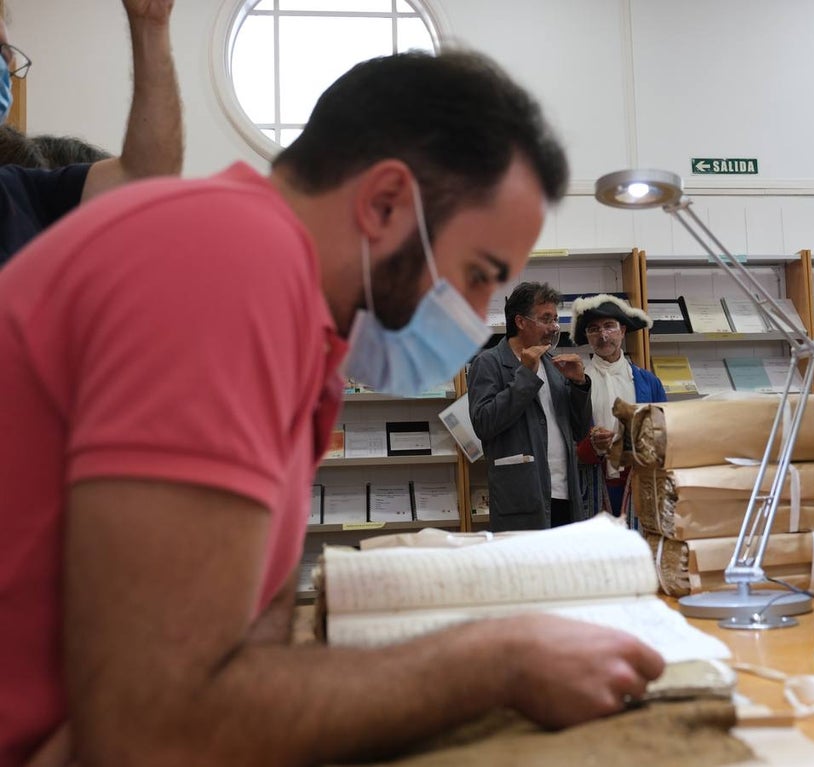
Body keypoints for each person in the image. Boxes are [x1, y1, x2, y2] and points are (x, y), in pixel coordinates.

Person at [0, 51, 664, 765]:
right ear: (382, 204)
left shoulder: (301, 327)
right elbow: (151, 730)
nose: (477, 318)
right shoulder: (227, 264)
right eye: (476, 276)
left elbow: (246, 640)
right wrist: (497, 661)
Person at [0, 0, 182, 266]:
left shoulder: (18, 193)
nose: (5, 63)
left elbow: (145, 178)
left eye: (4, 56)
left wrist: (151, 26)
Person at [468, 281, 594, 531]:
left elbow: (579, 432)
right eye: (546, 318)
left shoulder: (553, 364)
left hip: (565, 493)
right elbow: (484, 423)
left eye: (555, 319)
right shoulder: (488, 363)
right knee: (526, 569)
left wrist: (580, 385)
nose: (553, 327)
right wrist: (526, 374)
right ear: (521, 322)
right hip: (521, 496)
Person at [570, 294, 667, 517]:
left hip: (639, 480)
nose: (603, 335)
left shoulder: (648, 382)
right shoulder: (575, 383)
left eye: (609, 326)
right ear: (587, 335)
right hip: (592, 482)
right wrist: (591, 445)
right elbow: (567, 439)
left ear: (622, 330)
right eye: (593, 329)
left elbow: (665, 434)